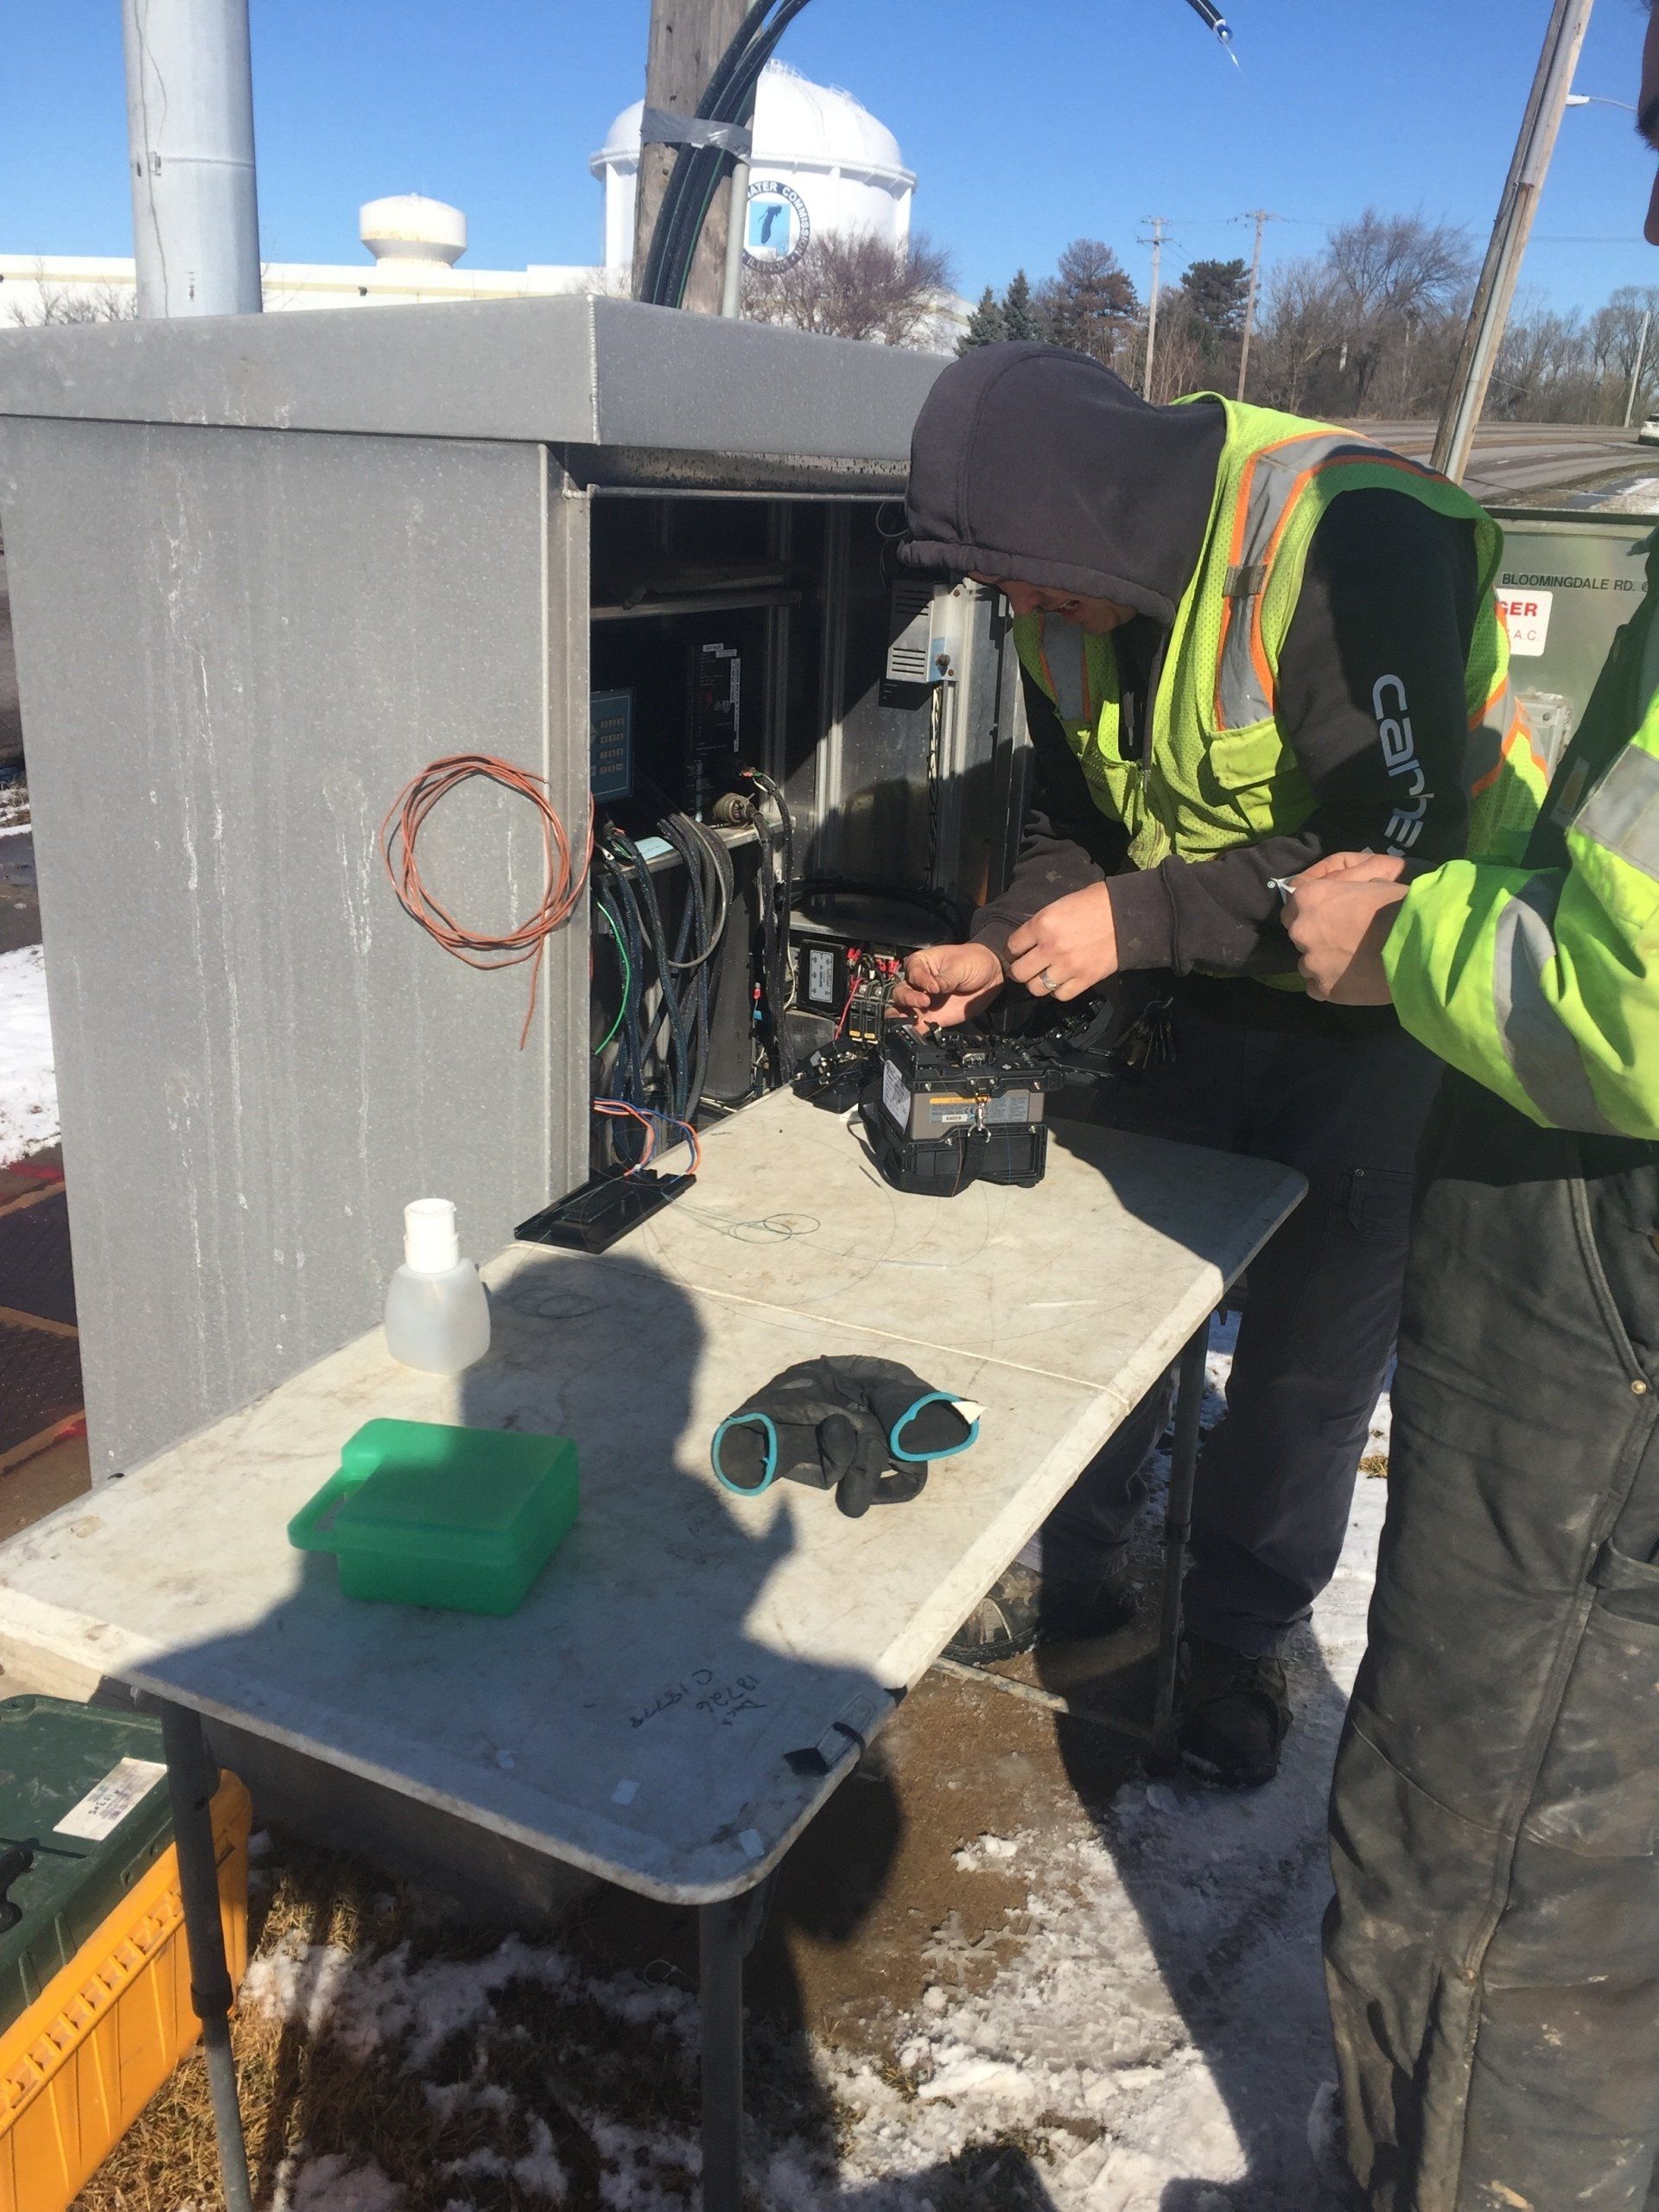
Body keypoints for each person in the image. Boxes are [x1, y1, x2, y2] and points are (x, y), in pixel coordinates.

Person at [892, 342, 1546, 1785]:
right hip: (1199, 982)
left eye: (1028, 580)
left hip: (1387, 1013)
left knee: (1309, 1363)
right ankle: (1070, 1568)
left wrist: (1131, 917)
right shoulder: (1062, 596)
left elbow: (1400, 855)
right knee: (1117, 1309)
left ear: (1099, 516)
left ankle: (1239, 1631)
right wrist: (1006, 942)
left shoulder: (1350, 536)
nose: (1025, 613)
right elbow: (1078, 816)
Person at [1285, 16, 1659, 2197]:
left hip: (1606, 1315)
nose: (1652, 205)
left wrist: (1389, 942)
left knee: (1490, 1846)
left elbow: (1631, 988)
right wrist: (1474, 862)